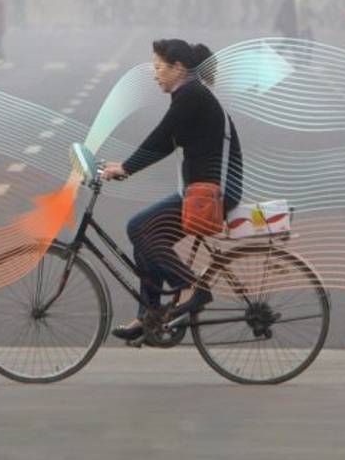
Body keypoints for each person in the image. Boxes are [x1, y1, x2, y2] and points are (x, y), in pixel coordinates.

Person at [100, 39, 243, 341]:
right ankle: (150, 316)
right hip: (201, 190)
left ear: (178, 68)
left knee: (139, 227)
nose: (155, 75)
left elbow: (161, 136)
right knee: (144, 234)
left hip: (213, 194)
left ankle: (190, 287)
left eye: (158, 68)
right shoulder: (189, 94)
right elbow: (166, 143)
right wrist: (126, 167)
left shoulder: (191, 95)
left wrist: (126, 168)